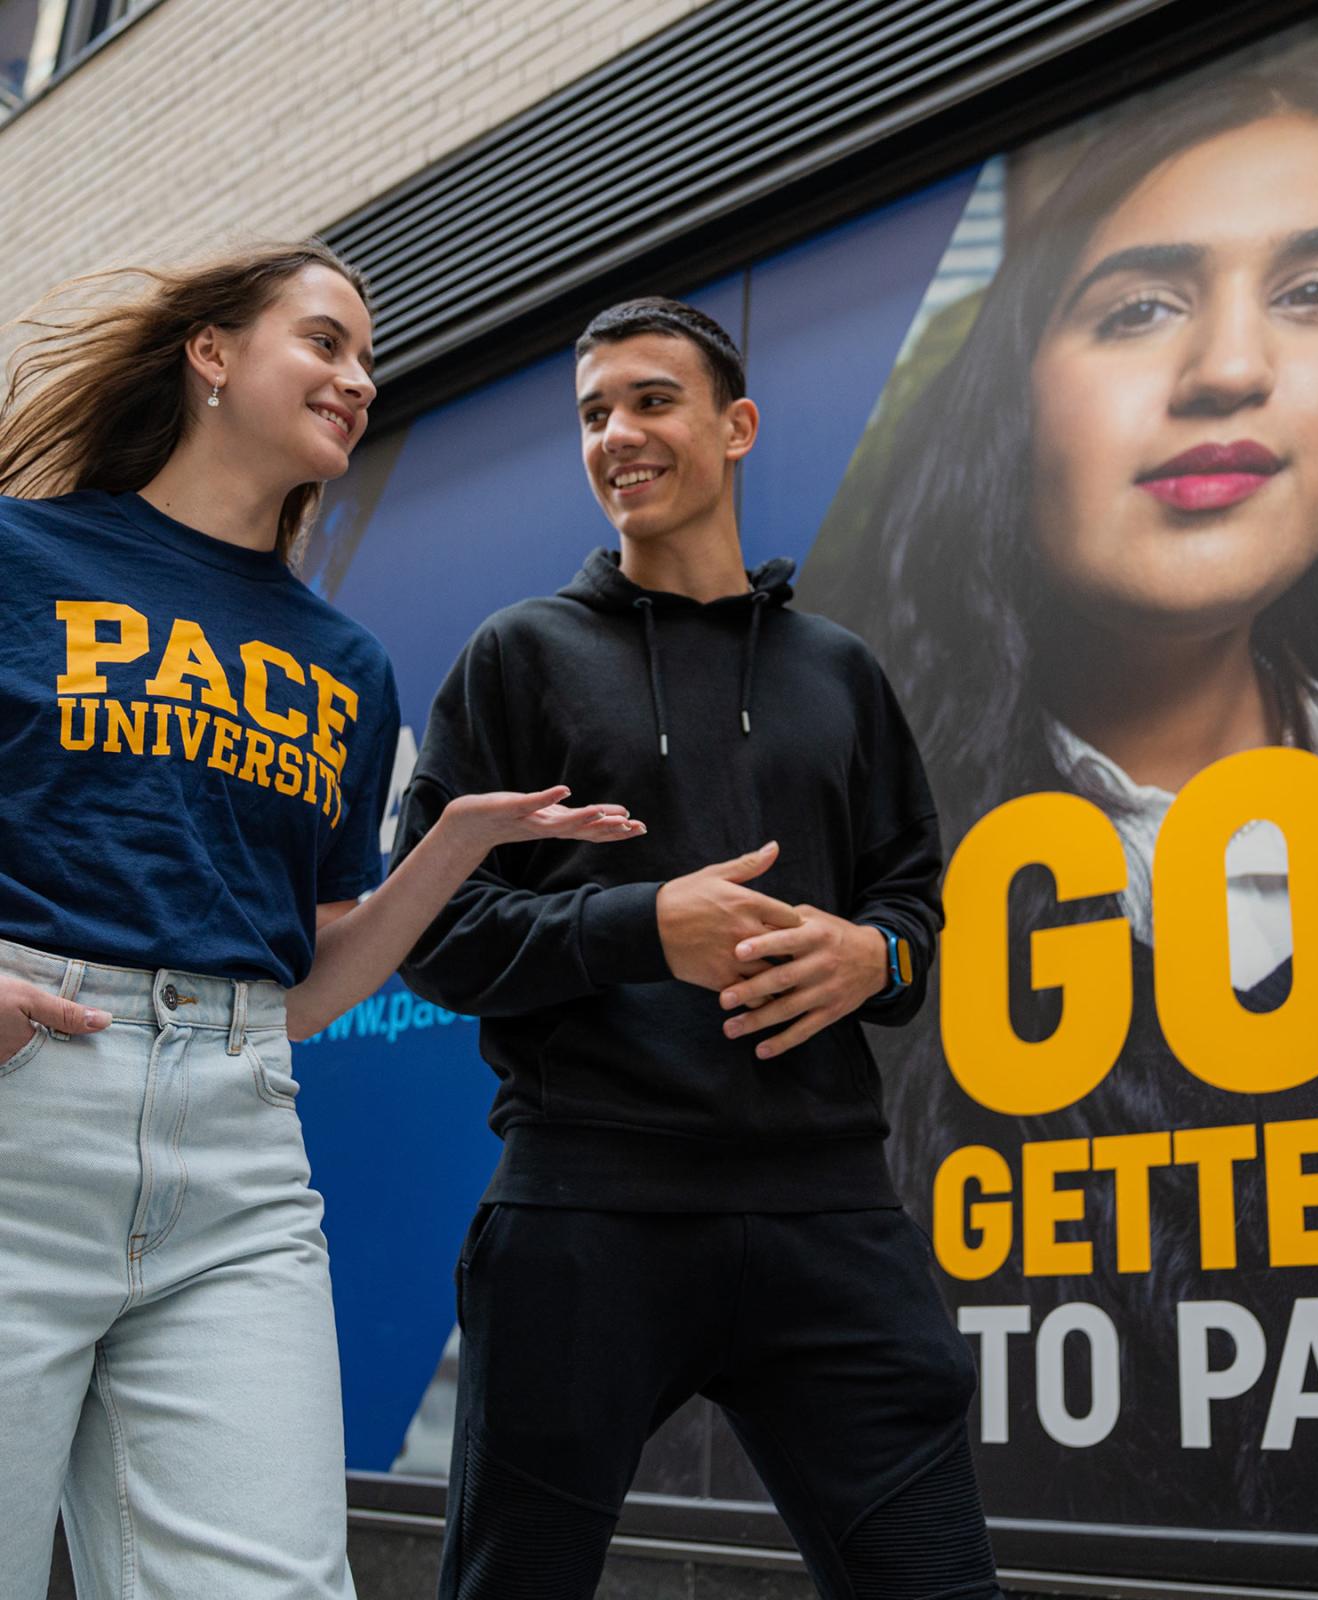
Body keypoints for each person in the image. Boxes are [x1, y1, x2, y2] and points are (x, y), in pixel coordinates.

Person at [807, 70, 1318, 1535]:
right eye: (1141, 306)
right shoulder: (857, 905)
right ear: (1010, 399)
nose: (1232, 367)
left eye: (1315, 290)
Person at [0, 242, 642, 1600]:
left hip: (237, 1145)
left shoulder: (342, 663)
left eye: (369, 357)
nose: (359, 379)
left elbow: (302, 987)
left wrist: (453, 844)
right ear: (213, 353)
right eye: (327, 341)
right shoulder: (19, 556)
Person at [394, 296, 1001, 1600]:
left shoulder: (840, 672)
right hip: (585, 1211)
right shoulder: (518, 658)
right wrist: (641, 924)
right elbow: (432, 935)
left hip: (828, 1213)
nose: (618, 433)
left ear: (736, 427)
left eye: (651, 401)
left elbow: (914, 905)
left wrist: (872, 961)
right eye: (594, 413)